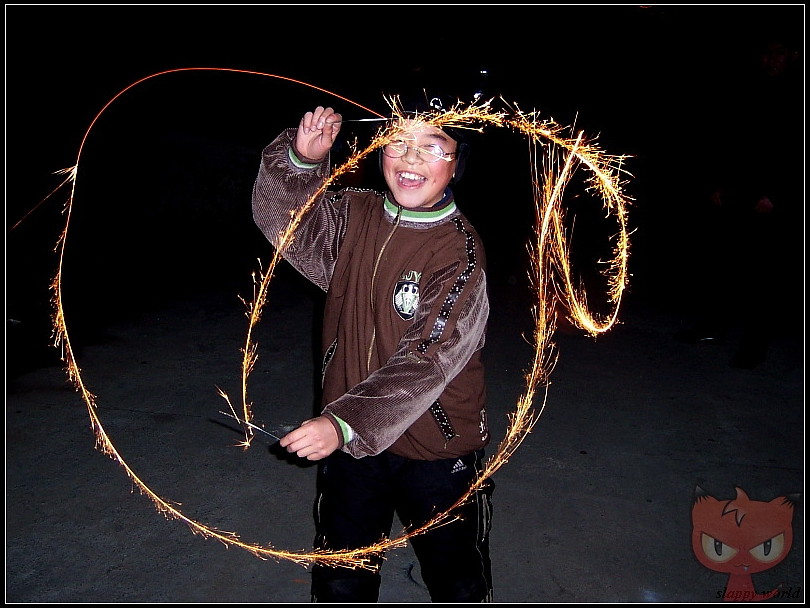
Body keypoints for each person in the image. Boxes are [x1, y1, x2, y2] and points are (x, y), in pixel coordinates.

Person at [251, 97, 494, 602]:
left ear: (457, 163)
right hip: (351, 445)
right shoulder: (353, 213)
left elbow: (429, 359)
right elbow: (285, 224)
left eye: (431, 147)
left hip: (433, 447)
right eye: (397, 143)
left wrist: (343, 424)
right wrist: (302, 162)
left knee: (454, 574)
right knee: (342, 572)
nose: (409, 159)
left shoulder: (460, 251)